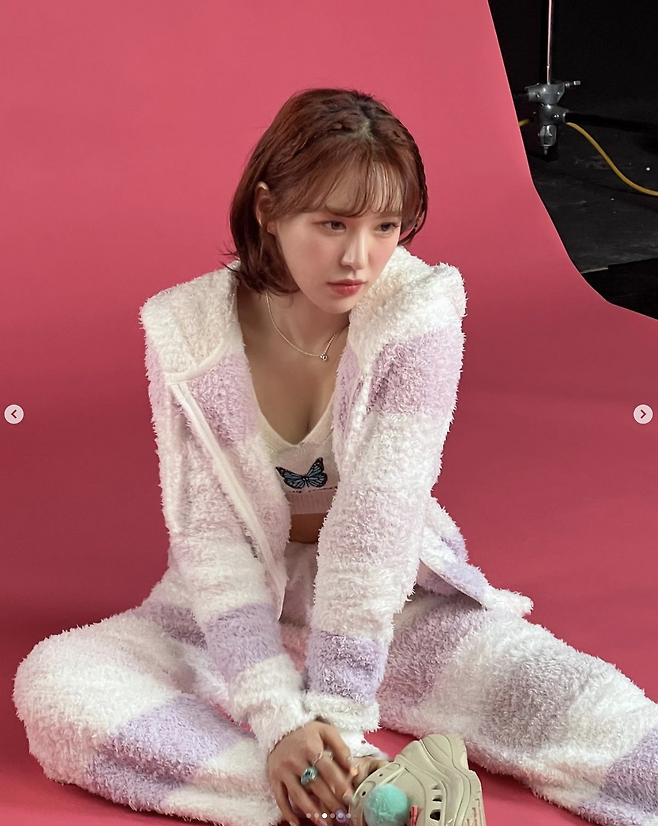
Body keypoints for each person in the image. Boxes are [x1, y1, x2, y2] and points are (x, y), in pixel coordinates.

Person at [13, 87, 658, 826]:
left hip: (384, 607)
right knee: (59, 685)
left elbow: (374, 530)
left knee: (579, 708)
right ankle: (366, 799)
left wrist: (336, 717)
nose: (360, 257)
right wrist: (277, 719)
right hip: (231, 611)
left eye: (386, 227)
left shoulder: (417, 315)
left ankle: (331, 787)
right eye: (332, 224)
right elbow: (209, 536)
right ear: (268, 210)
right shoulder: (186, 333)